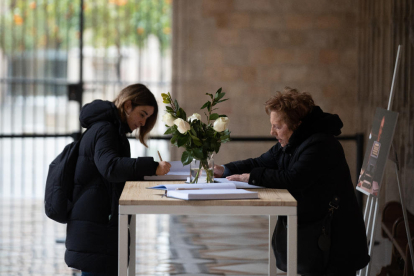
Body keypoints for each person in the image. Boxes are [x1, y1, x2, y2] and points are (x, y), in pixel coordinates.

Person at [214, 87, 370, 275]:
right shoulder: (292, 142)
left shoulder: (320, 144)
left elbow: (294, 179)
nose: (272, 132)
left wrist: (252, 177)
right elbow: (260, 162)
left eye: (277, 126)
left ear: (297, 125)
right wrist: (225, 170)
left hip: (336, 239)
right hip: (317, 233)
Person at [64, 83, 171, 276]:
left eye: (147, 118)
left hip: (96, 223)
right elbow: (110, 167)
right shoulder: (106, 129)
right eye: (143, 114)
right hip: (96, 225)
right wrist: (151, 166)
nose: (143, 122)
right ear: (128, 105)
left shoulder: (110, 128)